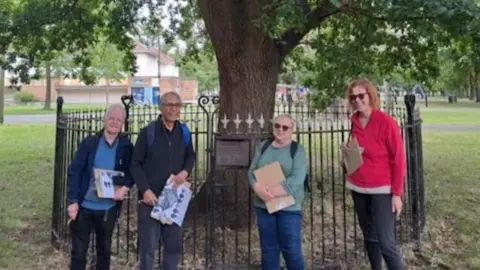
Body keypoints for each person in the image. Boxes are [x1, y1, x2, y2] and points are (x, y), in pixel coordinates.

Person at [342, 78, 406, 270]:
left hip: (382, 189)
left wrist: (396, 194)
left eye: (361, 95)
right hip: (358, 186)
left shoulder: (386, 122)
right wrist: (348, 151)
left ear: (370, 96)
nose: (357, 100)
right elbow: (357, 154)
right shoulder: (354, 121)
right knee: (370, 236)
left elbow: (399, 159)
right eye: (353, 97)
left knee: (386, 243)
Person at [130, 91, 196, 270]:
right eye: (169, 104)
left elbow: (191, 156)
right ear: (161, 107)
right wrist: (145, 189)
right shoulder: (148, 133)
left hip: (173, 197)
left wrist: (185, 172)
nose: (173, 109)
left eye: (177, 105)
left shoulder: (183, 132)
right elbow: (135, 164)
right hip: (150, 199)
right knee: (148, 248)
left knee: (173, 246)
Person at [66, 104, 134, 270]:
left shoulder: (126, 147)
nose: (114, 122)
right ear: (104, 119)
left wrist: (124, 188)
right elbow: (75, 170)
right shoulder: (90, 143)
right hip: (84, 206)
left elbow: (133, 171)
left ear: (122, 123)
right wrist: (73, 200)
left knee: (104, 251)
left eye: (118, 120)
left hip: (108, 208)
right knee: (79, 252)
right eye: (111, 118)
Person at [247, 114, 307, 270]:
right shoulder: (264, 146)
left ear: (291, 130)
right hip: (263, 206)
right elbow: (252, 170)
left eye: (285, 127)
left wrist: (273, 191)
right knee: (268, 250)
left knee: (291, 250)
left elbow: (297, 179)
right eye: (277, 126)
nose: (280, 130)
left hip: (289, 209)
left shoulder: (297, 150)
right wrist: (257, 188)